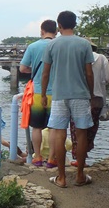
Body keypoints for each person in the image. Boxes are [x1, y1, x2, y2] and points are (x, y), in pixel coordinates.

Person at [40, 10, 95, 188]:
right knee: (81, 134)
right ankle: (80, 175)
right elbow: (89, 72)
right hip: (80, 95)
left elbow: (46, 73)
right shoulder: (84, 44)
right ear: (75, 24)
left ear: (59, 26)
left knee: (59, 134)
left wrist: (42, 94)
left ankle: (61, 177)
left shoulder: (52, 45)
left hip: (59, 95)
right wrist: (91, 93)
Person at [19, 19, 58, 167]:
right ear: (56, 31)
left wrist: (34, 73)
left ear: (41, 31)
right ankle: (52, 158)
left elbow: (22, 69)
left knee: (36, 126)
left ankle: (37, 157)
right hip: (56, 92)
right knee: (54, 127)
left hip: (37, 92)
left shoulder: (33, 46)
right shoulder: (58, 45)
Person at [69, 38, 109, 167]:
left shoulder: (77, 59)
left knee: (76, 129)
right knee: (91, 128)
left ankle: (78, 158)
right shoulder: (102, 58)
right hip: (97, 99)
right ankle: (84, 157)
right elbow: (107, 79)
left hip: (78, 98)